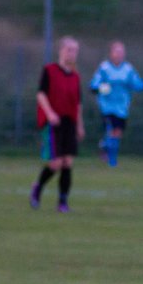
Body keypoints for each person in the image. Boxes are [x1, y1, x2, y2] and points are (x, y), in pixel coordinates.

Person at [29, 36, 85, 212]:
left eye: (75, 50)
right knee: (56, 163)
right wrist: (50, 112)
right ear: (61, 51)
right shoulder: (50, 70)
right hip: (53, 122)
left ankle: (62, 202)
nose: (73, 53)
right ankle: (37, 187)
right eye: (69, 50)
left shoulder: (76, 77)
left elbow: (78, 104)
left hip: (69, 122)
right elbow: (41, 94)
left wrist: (79, 125)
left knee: (68, 162)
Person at [89, 40, 143, 167]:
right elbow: (94, 86)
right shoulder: (104, 68)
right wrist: (103, 88)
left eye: (122, 51)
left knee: (117, 133)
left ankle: (107, 150)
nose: (120, 54)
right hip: (107, 106)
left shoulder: (128, 69)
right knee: (111, 130)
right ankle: (111, 159)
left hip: (121, 108)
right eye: (117, 51)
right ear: (111, 53)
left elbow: (137, 84)